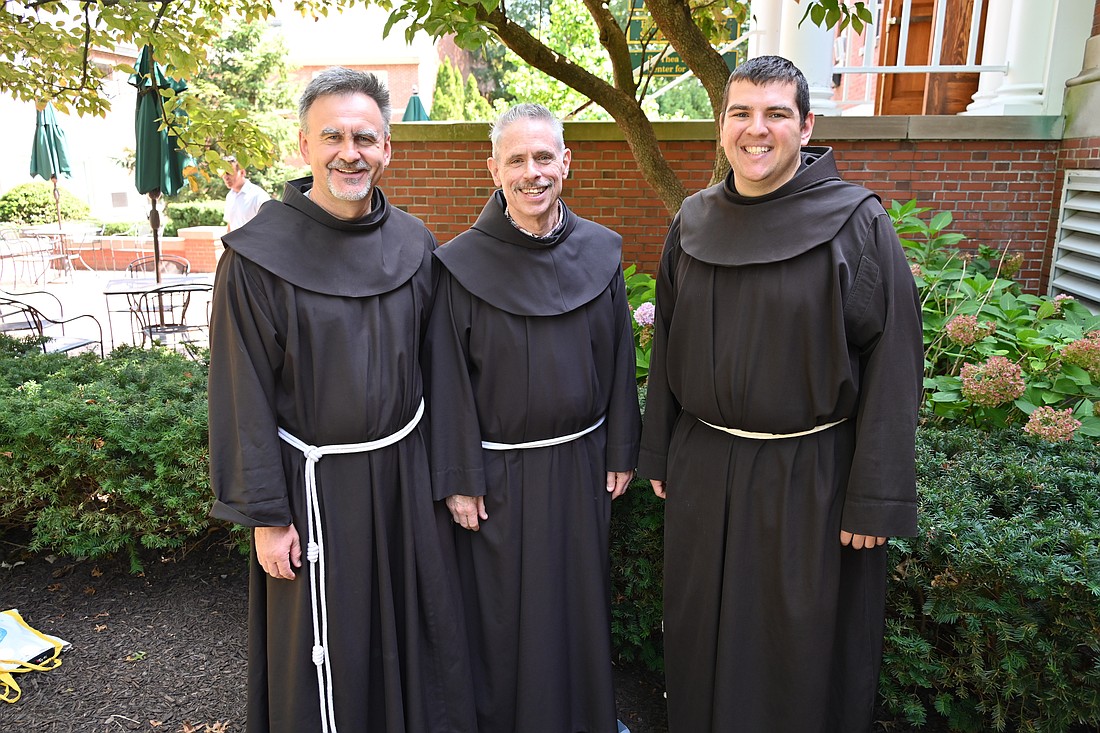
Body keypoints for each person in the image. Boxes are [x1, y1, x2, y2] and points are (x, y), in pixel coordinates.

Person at [638, 56, 924, 732]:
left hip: (811, 480)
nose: (755, 129)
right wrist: (661, 452)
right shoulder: (693, 220)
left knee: (793, 651)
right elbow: (669, 338)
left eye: (775, 114)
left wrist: (876, 496)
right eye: (740, 113)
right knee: (698, 631)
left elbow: (894, 364)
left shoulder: (856, 223)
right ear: (722, 124)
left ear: (806, 125)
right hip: (706, 468)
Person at [207, 67, 476, 733]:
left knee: (412, 637)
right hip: (310, 491)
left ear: (388, 148)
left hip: (402, 482)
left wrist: (453, 479)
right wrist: (267, 516)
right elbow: (241, 391)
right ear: (304, 144)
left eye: (365, 137)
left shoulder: (415, 245)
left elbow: (442, 373)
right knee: (320, 652)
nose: (349, 152)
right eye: (332, 136)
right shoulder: (256, 256)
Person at [426, 103, 641, 733]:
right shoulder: (459, 265)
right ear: (493, 168)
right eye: (516, 159)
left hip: (579, 466)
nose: (531, 173)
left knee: (576, 606)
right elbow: (447, 377)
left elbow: (620, 356)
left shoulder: (601, 252)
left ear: (566, 163)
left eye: (543, 157)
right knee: (502, 613)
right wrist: (460, 474)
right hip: (497, 477)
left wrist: (621, 448)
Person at [221, 155, 270, 231]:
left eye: (228, 173)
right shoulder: (230, 196)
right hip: (234, 242)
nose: (225, 177)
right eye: (223, 173)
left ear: (242, 172)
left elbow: (269, 225)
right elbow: (230, 226)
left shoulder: (258, 196)